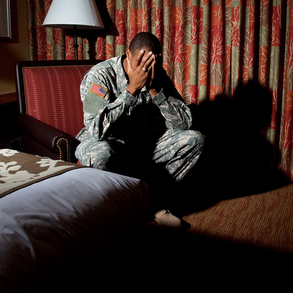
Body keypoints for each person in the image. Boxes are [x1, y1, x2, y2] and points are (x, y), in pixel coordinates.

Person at [75, 32, 204, 227]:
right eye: (141, 61)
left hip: (141, 144)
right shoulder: (99, 76)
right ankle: (137, 208)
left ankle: (148, 203)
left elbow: (184, 123)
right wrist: (131, 90)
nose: (146, 67)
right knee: (102, 154)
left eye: (152, 61)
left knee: (194, 140)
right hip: (107, 144)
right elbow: (96, 130)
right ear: (128, 54)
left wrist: (155, 91)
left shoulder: (157, 74)